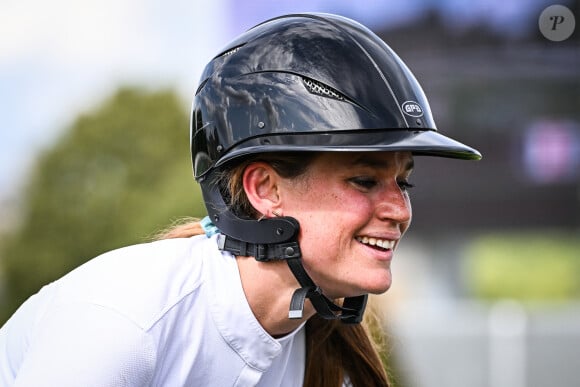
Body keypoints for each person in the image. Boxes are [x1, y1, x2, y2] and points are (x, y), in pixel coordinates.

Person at [0, 12, 481, 387]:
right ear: (264, 190)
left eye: (404, 182)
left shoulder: (323, 350)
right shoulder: (123, 320)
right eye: (363, 180)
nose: (399, 209)